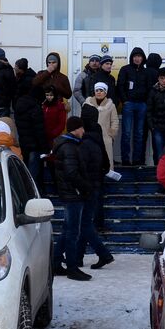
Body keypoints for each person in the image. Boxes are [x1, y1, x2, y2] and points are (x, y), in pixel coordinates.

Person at [50, 117, 93, 282]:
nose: (83, 132)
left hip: (70, 193)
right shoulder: (69, 147)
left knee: (68, 230)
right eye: (82, 128)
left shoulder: (68, 145)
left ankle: (55, 263)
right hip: (73, 194)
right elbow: (71, 173)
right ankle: (72, 268)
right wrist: (85, 187)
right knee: (73, 232)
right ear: (76, 129)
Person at [76, 104, 115, 270]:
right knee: (84, 222)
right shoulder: (97, 134)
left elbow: (81, 164)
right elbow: (105, 160)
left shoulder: (84, 139)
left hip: (86, 185)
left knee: (83, 223)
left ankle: (102, 254)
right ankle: (78, 256)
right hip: (97, 182)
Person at [116, 47, 152, 165]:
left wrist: (146, 102)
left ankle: (137, 160)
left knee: (139, 134)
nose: (137, 58)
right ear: (132, 58)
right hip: (129, 104)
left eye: (139, 56)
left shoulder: (146, 71)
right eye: (135, 56)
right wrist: (125, 101)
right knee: (126, 133)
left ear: (143, 58)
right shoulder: (125, 69)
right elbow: (120, 86)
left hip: (142, 105)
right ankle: (125, 160)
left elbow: (149, 88)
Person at [13, 89, 48, 187]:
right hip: (34, 145)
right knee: (34, 174)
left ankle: (25, 191)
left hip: (24, 143)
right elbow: (39, 130)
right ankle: (35, 193)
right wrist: (45, 147)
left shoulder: (19, 106)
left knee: (26, 170)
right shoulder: (35, 109)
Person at [83, 83, 120, 167]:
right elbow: (82, 119)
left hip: (105, 137)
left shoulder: (111, 105)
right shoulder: (87, 104)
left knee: (106, 160)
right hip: (90, 137)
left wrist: (111, 134)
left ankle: (108, 176)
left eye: (101, 90)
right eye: (97, 90)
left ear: (105, 93)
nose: (98, 92)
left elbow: (115, 121)